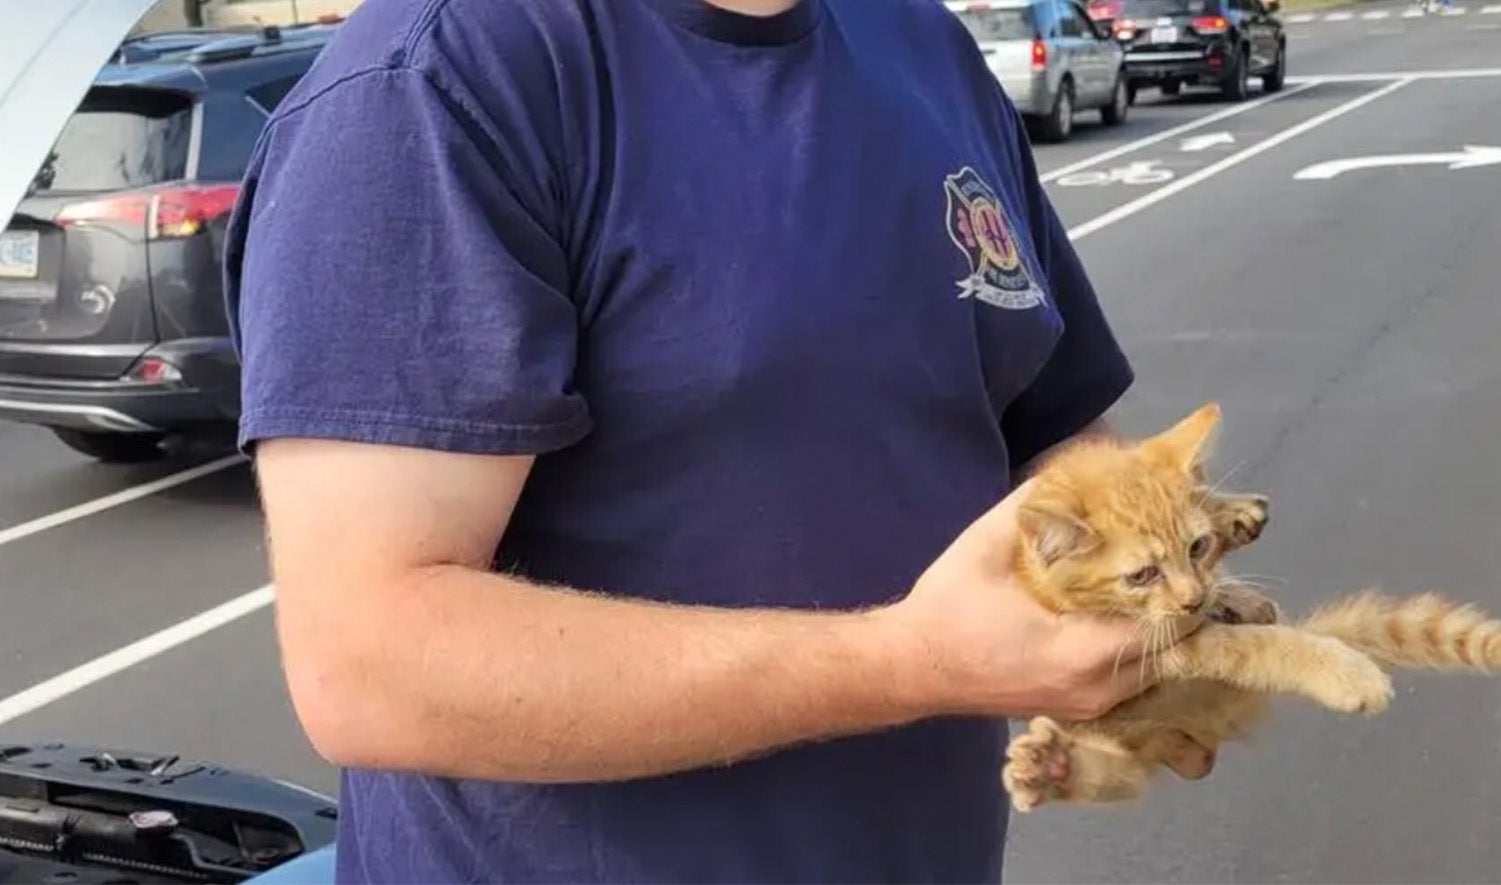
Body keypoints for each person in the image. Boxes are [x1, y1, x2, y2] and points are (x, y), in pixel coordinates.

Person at [222, 0, 1217, 882]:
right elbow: (372, 666)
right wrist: (914, 661)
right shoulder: (435, 83)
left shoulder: (920, 44)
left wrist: (1143, 585)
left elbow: (1058, 434)